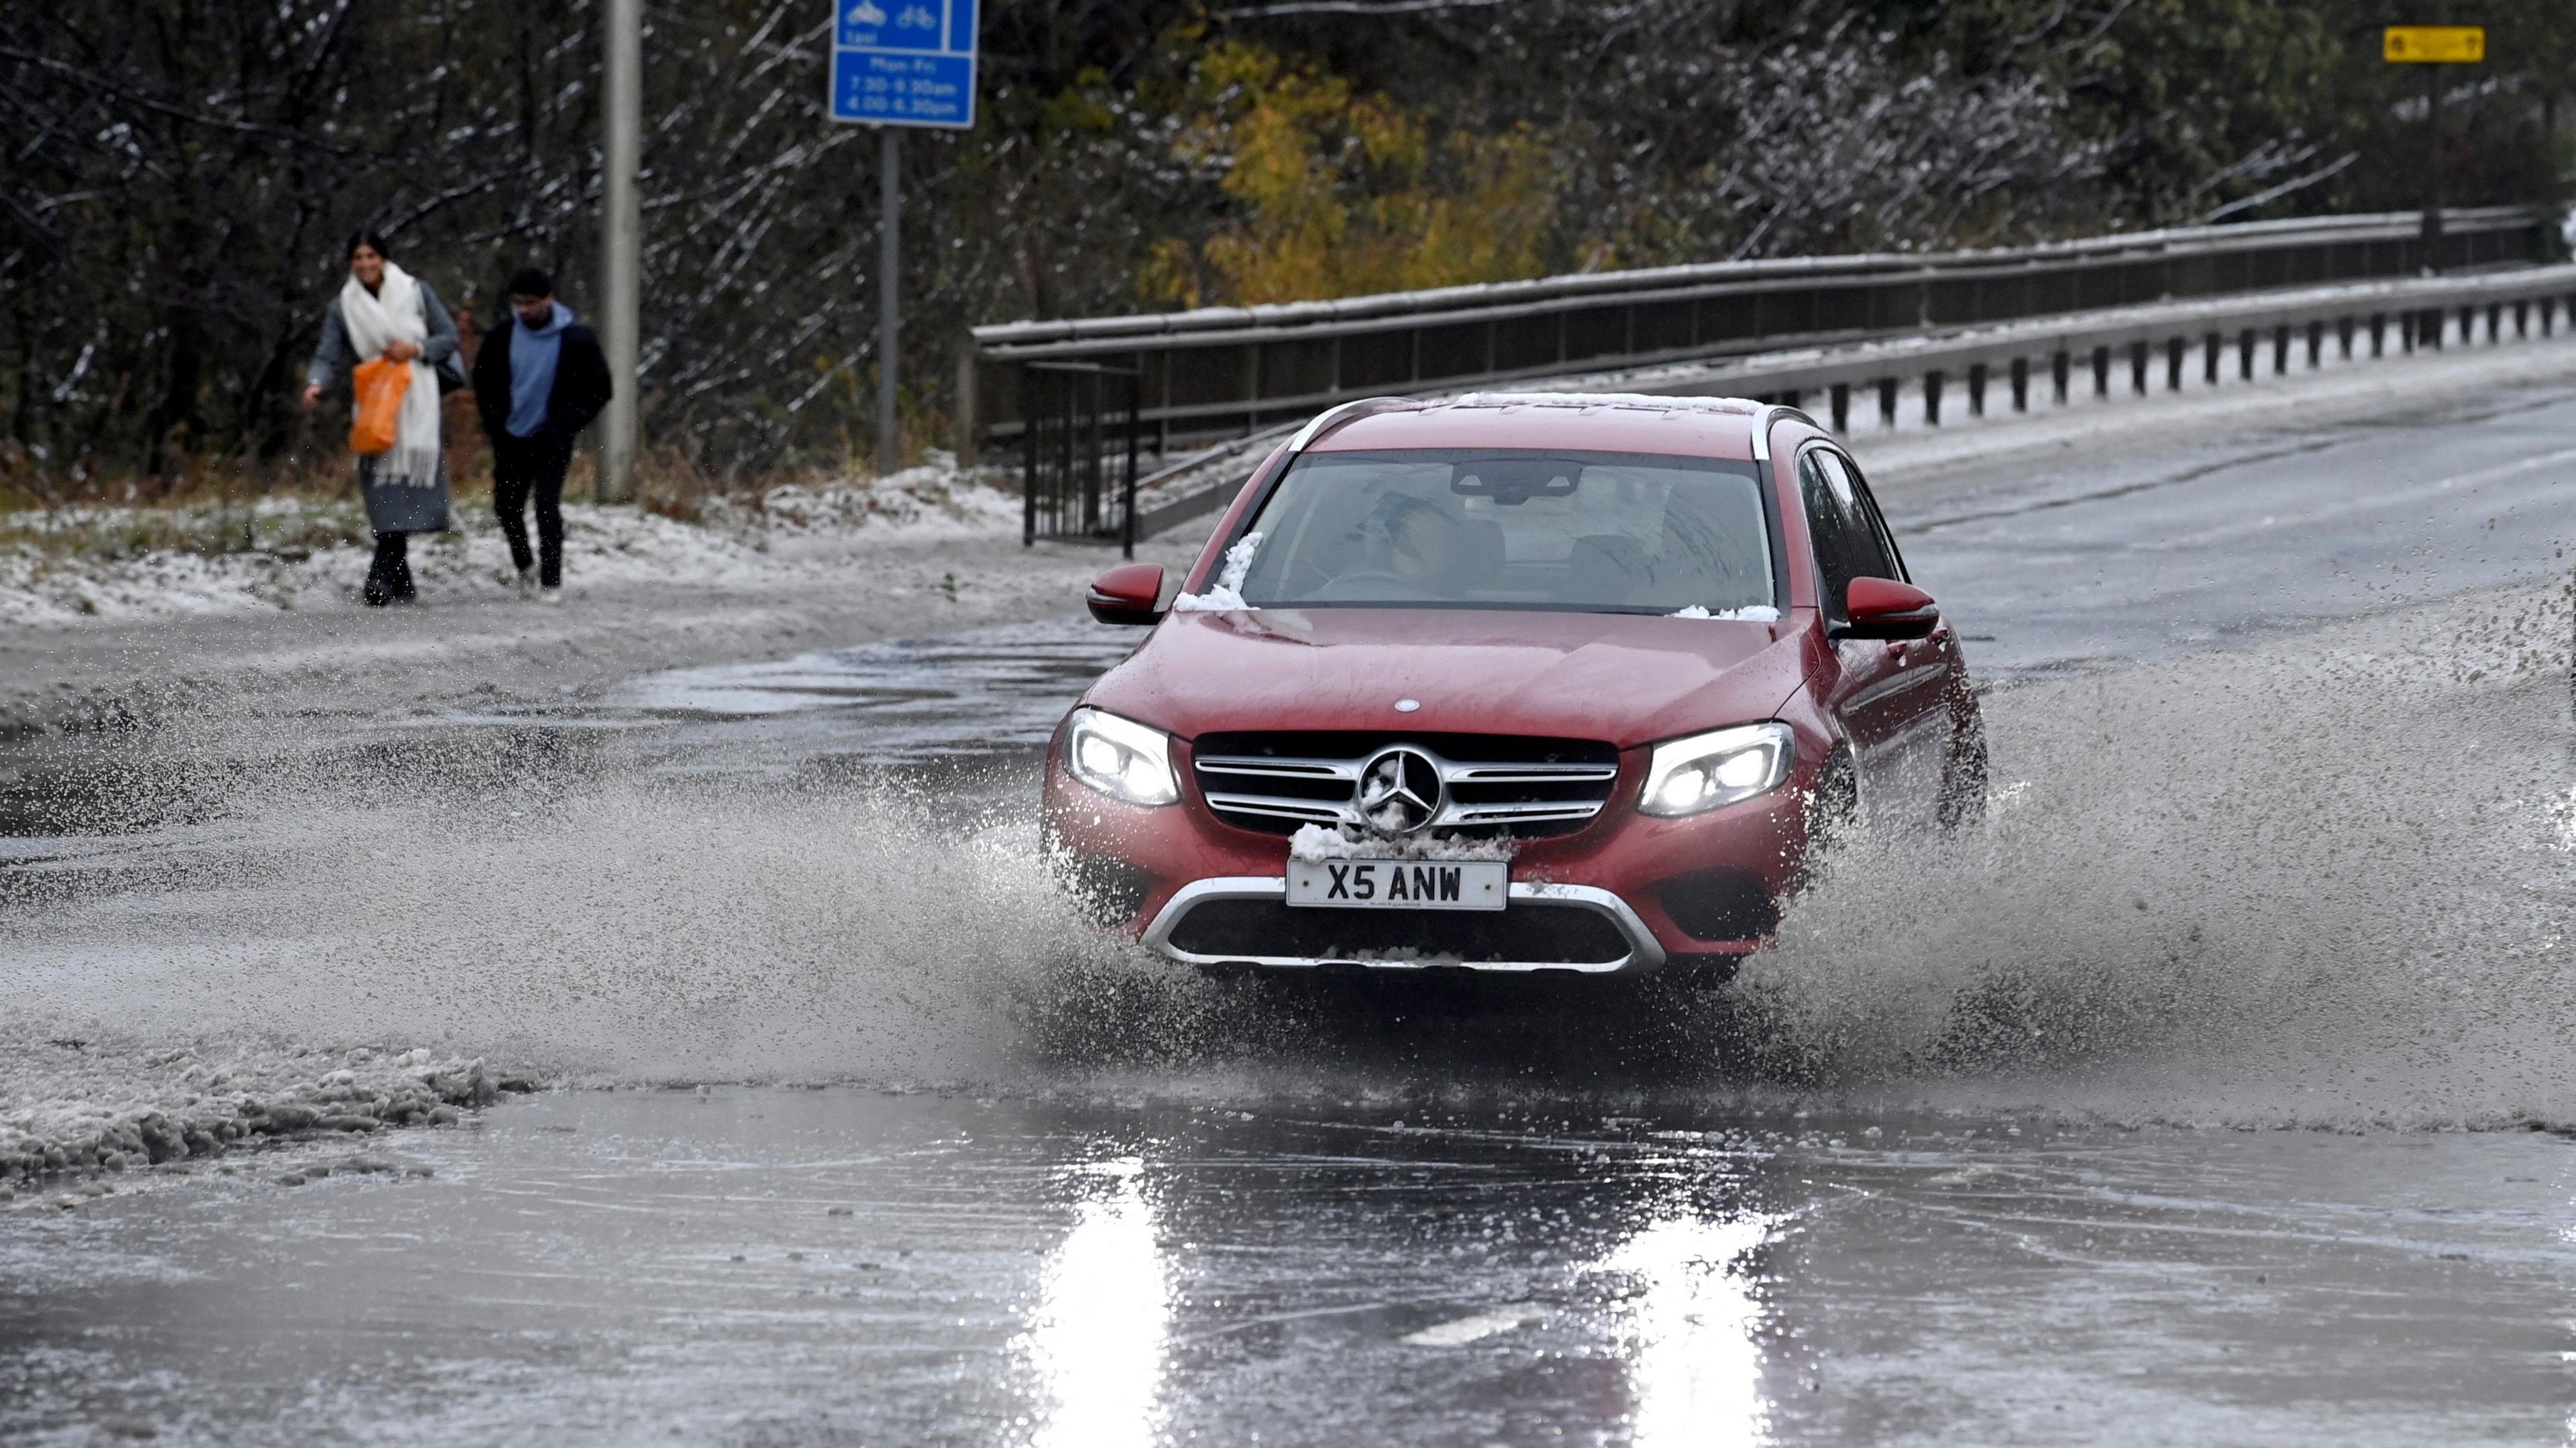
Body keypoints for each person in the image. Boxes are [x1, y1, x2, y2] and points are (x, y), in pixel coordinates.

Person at [303, 231, 462, 606]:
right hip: (374, 399)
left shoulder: (415, 291)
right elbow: (329, 353)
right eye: (357, 257)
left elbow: (448, 336)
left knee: (405, 485)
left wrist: (416, 348)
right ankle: (399, 579)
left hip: (416, 398)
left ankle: (381, 576)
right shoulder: (344, 306)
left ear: (384, 259)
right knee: (381, 487)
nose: (365, 264)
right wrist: (316, 383)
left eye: (371, 256)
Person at [471, 268, 612, 603]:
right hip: (510, 436)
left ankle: (552, 580)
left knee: (547, 505)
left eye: (531, 303)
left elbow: (601, 389)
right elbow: (483, 384)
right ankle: (525, 566)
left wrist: (569, 422)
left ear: (549, 299)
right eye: (518, 303)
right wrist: (494, 424)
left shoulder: (576, 339)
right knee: (506, 507)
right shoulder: (500, 338)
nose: (524, 310)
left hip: (552, 437)